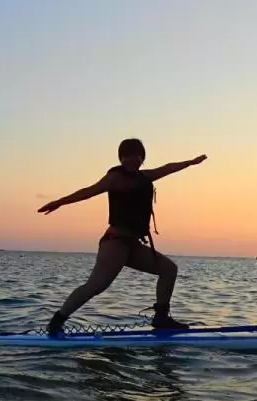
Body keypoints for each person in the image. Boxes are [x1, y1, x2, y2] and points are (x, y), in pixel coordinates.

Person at [36, 138, 206, 336]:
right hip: (115, 243)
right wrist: (59, 202)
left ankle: (161, 319)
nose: (131, 160)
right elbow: (89, 192)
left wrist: (191, 162)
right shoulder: (115, 178)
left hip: (132, 245)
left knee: (168, 269)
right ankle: (57, 321)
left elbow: (168, 168)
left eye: (136, 156)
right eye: (126, 157)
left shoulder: (145, 177)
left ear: (142, 158)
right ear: (121, 158)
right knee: (96, 286)